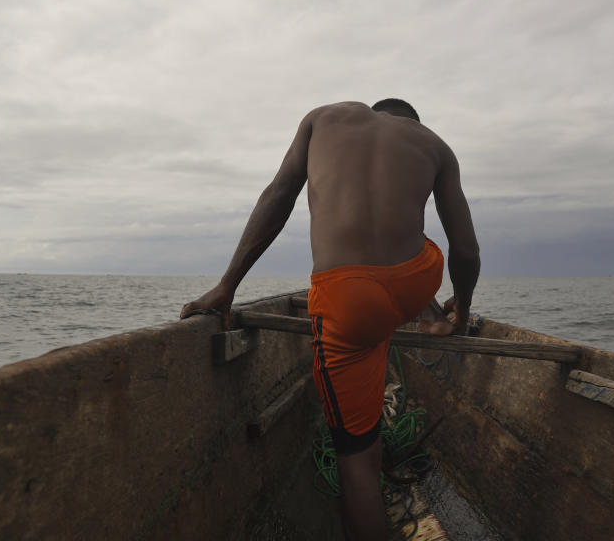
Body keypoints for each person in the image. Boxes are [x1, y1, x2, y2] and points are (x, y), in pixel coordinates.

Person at [180, 99, 480, 540]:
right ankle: (433, 318)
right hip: (416, 278)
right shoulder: (435, 145)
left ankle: (368, 448)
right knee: (413, 249)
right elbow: (467, 251)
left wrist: (227, 286)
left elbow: (278, 196)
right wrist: (464, 311)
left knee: (355, 463)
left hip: (349, 299)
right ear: (411, 123)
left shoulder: (322, 119)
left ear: (378, 113)